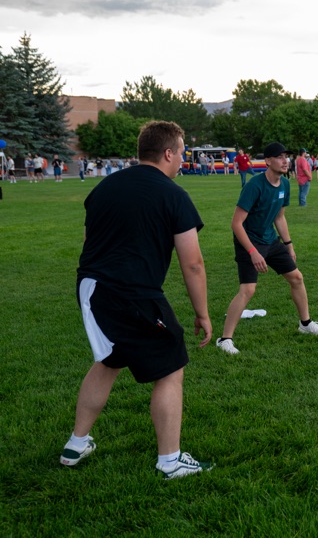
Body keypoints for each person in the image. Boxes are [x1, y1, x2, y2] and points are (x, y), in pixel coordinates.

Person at [61, 120, 213, 479]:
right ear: (168, 153)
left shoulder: (104, 187)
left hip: (91, 288)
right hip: (132, 292)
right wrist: (202, 313)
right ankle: (170, 461)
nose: (183, 159)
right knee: (171, 365)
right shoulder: (174, 194)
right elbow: (192, 263)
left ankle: (77, 442)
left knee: (110, 358)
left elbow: (89, 242)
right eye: (182, 151)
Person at [217, 142, 318, 356]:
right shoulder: (254, 185)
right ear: (267, 161)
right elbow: (236, 224)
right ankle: (225, 339)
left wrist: (288, 244)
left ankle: (305, 324)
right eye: (280, 157)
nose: (285, 160)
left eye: (287, 156)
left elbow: (279, 217)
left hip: (271, 241)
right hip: (248, 242)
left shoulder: (285, 185)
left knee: (296, 277)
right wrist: (252, 252)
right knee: (248, 290)